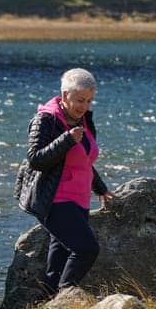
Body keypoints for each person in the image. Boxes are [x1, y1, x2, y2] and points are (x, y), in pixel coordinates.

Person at [26, 67, 114, 295]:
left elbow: (84, 160)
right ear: (65, 96)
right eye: (80, 100)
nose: (84, 106)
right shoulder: (46, 119)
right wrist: (65, 139)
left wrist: (101, 188)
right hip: (54, 199)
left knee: (59, 260)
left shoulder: (84, 120)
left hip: (79, 200)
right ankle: (67, 295)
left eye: (89, 101)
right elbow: (35, 159)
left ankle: (48, 307)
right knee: (87, 249)